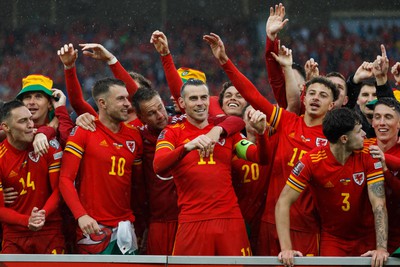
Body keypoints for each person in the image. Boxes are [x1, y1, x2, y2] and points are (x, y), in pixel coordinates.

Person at [204, 32, 338, 257]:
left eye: (323, 95)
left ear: (332, 105)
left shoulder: (333, 137)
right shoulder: (287, 122)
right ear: (304, 98)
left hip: (308, 226)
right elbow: (253, 96)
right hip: (270, 222)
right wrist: (224, 61)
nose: (316, 98)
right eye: (312, 93)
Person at [153, 78, 269, 256]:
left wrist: (261, 135)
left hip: (230, 219)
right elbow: (159, 166)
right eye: (193, 99)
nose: (200, 103)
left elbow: (260, 158)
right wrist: (187, 147)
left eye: (203, 97)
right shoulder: (171, 132)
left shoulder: (227, 132)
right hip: (193, 221)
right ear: (182, 102)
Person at [275, 108, 388, 267]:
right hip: (333, 239)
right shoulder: (311, 161)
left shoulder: (369, 155)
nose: (364, 133)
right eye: (358, 131)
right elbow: (283, 203)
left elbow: (379, 204)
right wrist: (286, 248)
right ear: (344, 139)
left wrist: (381, 248)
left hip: (367, 238)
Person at [59, 77, 143, 255]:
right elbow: (65, 179)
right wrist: (81, 215)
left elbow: (138, 185)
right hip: (93, 227)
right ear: (102, 103)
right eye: (120, 99)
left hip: (125, 227)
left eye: (127, 98)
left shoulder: (134, 136)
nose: (127, 104)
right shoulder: (84, 131)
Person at [0, 100, 65, 254]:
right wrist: (26, 221)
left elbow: (59, 190)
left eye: (30, 119)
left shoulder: (49, 145)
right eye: (23, 121)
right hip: (15, 235)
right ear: (6, 127)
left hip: (49, 231)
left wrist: (43, 214)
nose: (31, 124)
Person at [368, 97, 400, 254]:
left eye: (388, 117)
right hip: (365, 239)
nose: (382, 123)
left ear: (399, 124)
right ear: (372, 122)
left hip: (397, 242)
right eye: (377, 117)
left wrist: (386, 168)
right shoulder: (361, 148)